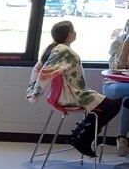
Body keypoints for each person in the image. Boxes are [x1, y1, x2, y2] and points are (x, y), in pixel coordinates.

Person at [26, 20, 121, 157]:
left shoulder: (54, 48)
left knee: (110, 105)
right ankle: (83, 138)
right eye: (74, 30)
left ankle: (78, 135)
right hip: (72, 96)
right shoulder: (64, 51)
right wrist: (35, 93)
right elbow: (45, 72)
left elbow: (37, 69)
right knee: (113, 106)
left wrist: (31, 90)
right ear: (70, 34)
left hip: (67, 94)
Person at [103, 18, 129, 157]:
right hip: (113, 85)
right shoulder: (118, 43)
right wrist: (126, 45)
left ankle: (122, 138)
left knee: (128, 100)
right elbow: (115, 67)